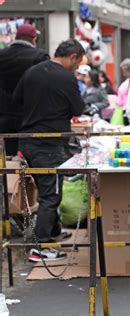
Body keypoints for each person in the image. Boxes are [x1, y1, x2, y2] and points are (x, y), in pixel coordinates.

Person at [13, 39, 86, 261]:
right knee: (51, 195)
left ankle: (53, 232)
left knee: (49, 188)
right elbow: (78, 108)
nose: (77, 68)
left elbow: (17, 100)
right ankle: (40, 247)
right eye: (78, 63)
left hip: (27, 141)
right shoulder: (66, 78)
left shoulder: (31, 72)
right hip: (49, 144)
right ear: (73, 57)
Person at [0, 23, 49, 156]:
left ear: (16, 37)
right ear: (34, 39)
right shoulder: (40, 56)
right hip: (31, 117)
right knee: (31, 158)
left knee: (7, 159)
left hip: (4, 116)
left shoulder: (2, 55)